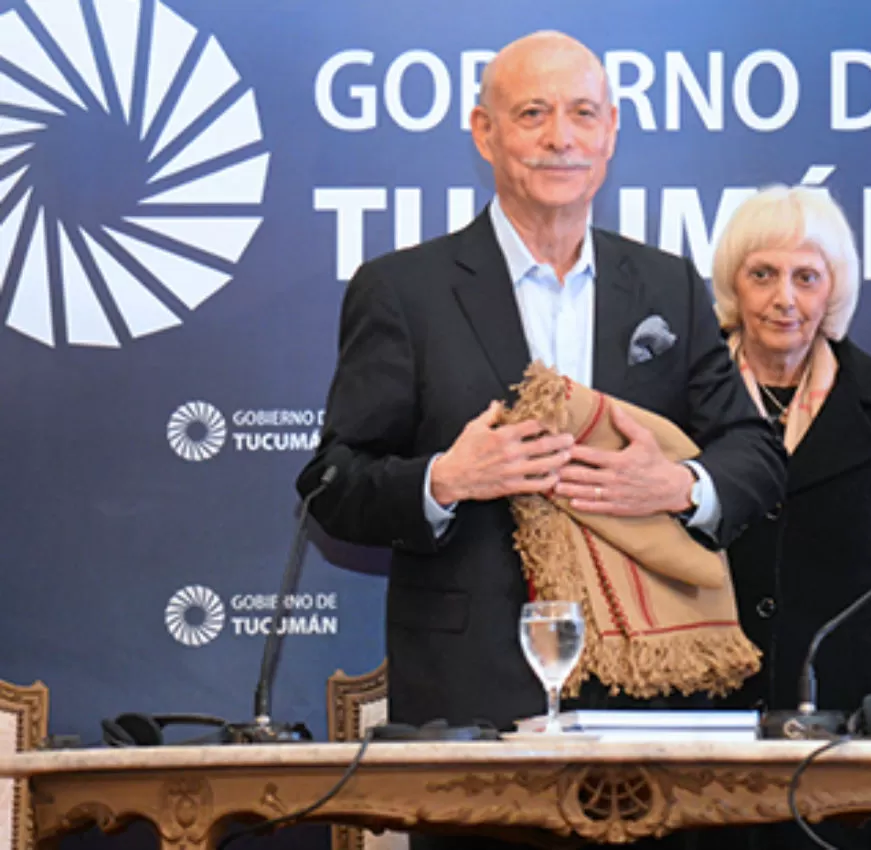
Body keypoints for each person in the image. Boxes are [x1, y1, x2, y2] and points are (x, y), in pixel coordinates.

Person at [297, 25, 783, 769]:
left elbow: (754, 452)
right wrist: (446, 480)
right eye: (533, 114)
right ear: (484, 133)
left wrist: (678, 485)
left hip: (648, 706)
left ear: (612, 131)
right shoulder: (403, 291)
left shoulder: (667, 286)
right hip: (470, 701)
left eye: (584, 113)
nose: (562, 138)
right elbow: (331, 483)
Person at [711, 186, 871, 849]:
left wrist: (851, 675)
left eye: (806, 277)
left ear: (831, 291)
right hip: (703, 730)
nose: (785, 298)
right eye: (763, 275)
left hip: (847, 737)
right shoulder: (678, 402)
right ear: (734, 284)